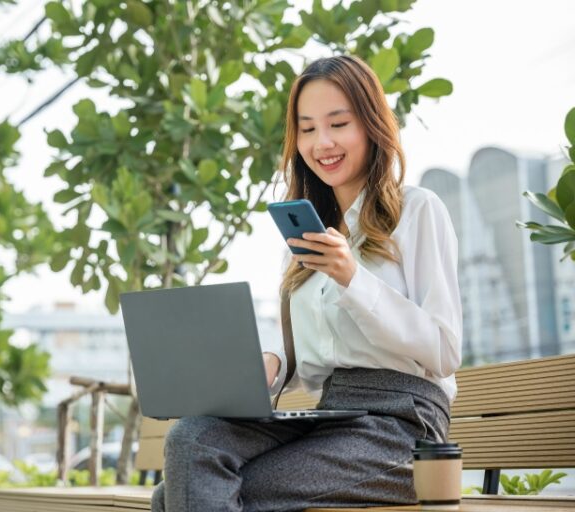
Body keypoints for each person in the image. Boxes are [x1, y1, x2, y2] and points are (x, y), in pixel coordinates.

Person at [151, 55, 462, 512]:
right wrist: (272, 359)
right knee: (194, 437)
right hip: (331, 415)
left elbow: (445, 349)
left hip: (403, 427)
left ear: (372, 125)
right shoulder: (306, 236)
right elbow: (309, 349)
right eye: (308, 128)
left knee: (178, 496)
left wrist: (351, 277)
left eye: (338, 123)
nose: (323, 142)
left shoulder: (417, 210)